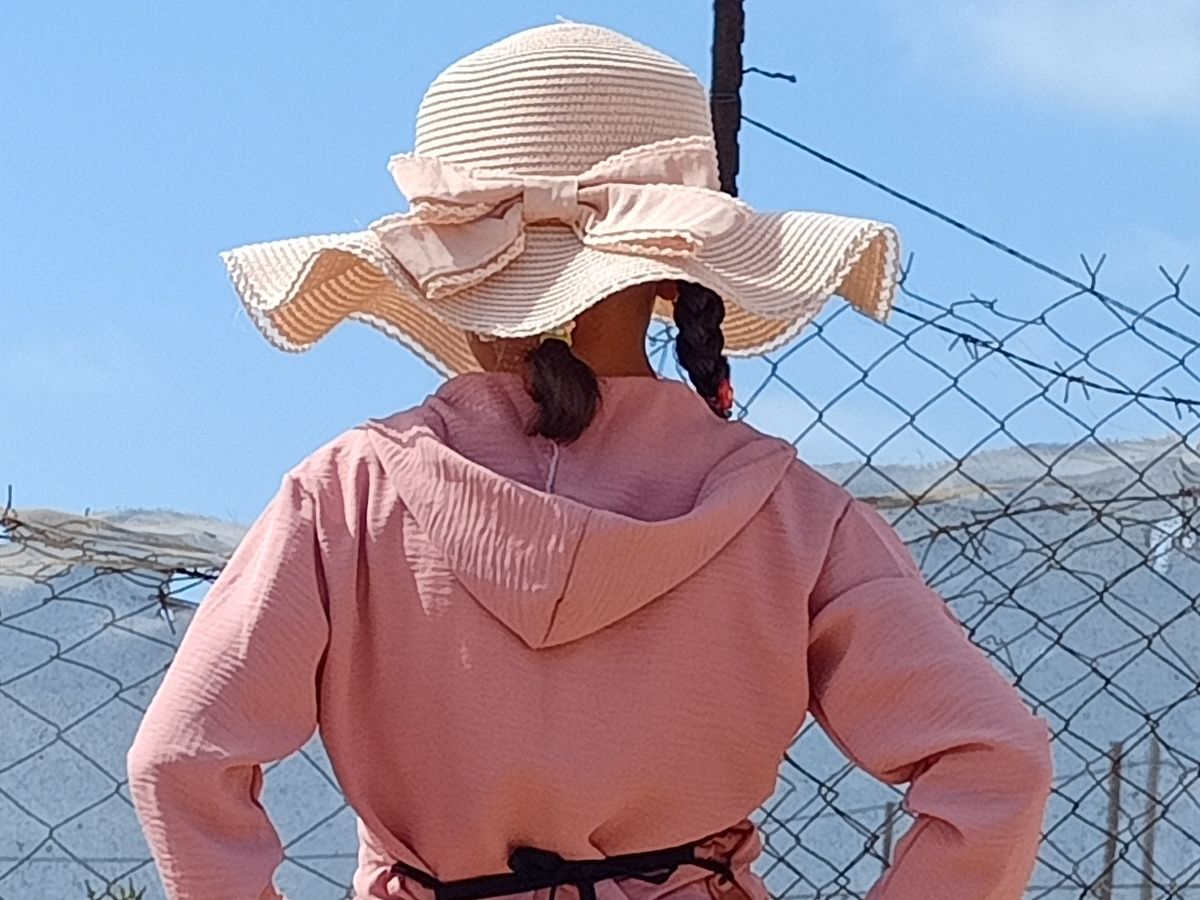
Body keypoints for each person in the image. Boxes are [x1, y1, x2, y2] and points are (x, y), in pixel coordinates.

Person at [126, 21, 1053, 900]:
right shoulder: (793, 514)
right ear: (674, 267)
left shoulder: (348, 493)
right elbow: (996, 761)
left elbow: (178, 759)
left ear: (441, 269)